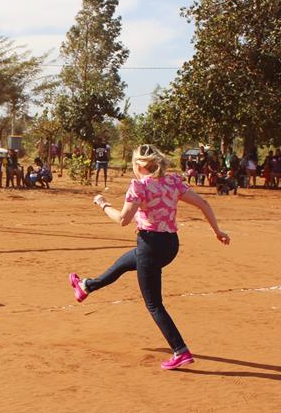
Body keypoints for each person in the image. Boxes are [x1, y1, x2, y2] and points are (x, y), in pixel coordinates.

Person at [69, 144, 230, 370]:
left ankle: (180, 350)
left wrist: (103, 204)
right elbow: (203, 203)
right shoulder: (173, 181)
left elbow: (123, 220)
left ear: (137, 165)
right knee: (125, 263)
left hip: (150, 245)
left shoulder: (139, 186)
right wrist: (217, 231)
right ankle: (86, 286)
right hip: (170, 245)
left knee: (154, 304)